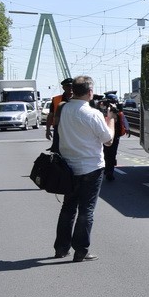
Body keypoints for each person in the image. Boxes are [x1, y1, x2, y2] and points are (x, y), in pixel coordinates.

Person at [53, 75, 115, 262]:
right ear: (89, 92)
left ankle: (61, 248)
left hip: (68, 167)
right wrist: (110, 119)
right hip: (90, 167)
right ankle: (81, 250)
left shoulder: (63, 109)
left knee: (67, 208)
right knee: (86, 210)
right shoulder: (93, 114)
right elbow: (109, 140)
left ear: (72, 90)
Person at [102, 93, 128, 181]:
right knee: (110, 154)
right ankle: (109, 170)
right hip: (111, 136)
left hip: (112, 136)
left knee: (109, 154)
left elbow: (123, 119)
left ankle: (109, 171)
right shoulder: (108, 110)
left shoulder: (114, 111)